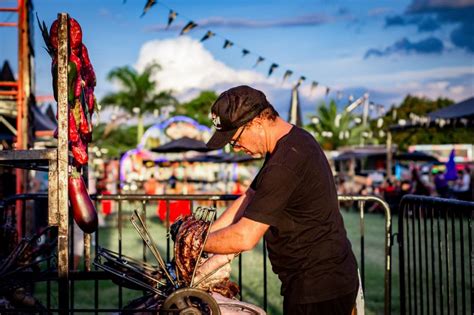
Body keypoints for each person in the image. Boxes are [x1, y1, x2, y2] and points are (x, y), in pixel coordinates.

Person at [203, 85, 358, 315]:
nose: (236, 148)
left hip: (318, 286)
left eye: (234, 140)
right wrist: (204, 237)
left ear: (255, 123)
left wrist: (195, 244)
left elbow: (245, 237)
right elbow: (249, 198)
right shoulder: (292, 142)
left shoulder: (286, 162)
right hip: (318, 280)